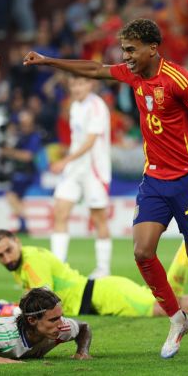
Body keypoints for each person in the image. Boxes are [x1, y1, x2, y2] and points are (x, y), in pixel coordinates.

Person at [23, 18, 188, 361]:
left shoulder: (178, 79)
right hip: (155, 178)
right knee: (142, 252)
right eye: (123, 49)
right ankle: (177, 318)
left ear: (152, 48)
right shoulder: (132, 74)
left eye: (130, 49)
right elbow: (95, 69)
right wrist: (49, 60)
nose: (124, 56)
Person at [0, 229, 188, 318]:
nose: (7, 258)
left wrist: (8, 311)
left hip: (104, 295)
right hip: (99, 295)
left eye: (8, 250)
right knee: (174, 300)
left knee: (173, 307)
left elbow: (43, 297)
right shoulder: (22, 261)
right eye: (0, 255)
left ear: (17, 241)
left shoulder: (31, 260)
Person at [50, 75, 113, 279]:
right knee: (60, 211)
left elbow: (90, 142)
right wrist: (68, 160)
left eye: (80, 83)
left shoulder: (97, 106)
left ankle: (103, 268)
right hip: (75, 169)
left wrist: (64, 160)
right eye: (73, 84)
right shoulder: (74, 106)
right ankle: (58, 267)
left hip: (94, 170)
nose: (76, 88)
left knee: (98, 218)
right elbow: (78, 140)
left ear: (90, 84)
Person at [0, 109, 41, 235]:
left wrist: (10, 152)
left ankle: (25, 222)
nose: (23, 123)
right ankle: (23, 225)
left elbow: (28, 156)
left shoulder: (34, 136)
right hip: (18, 172)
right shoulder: (19, 135)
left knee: (11, 196)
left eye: (26, 120)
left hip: (28, 173)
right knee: (14, 198)